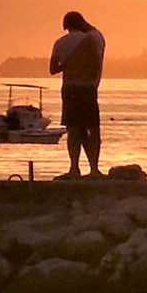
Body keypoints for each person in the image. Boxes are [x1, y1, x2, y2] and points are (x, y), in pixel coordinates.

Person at [48, 12, 106, 179]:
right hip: (88, 89)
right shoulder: (93, 39)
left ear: (67, 27)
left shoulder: (60, 43)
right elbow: (95, 64)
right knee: (92, 129)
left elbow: (52, 69)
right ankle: (94, 169)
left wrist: (67, 64)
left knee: (73, 129)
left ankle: (74, 168)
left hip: (70, 89)